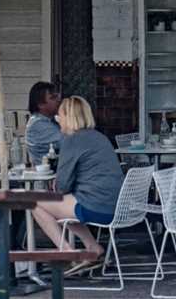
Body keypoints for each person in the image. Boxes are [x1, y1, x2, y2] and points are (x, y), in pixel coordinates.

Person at [32, 96, 123, 273]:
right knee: (65, 206)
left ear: (68, 117)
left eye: (59, 117)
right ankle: (93, 248)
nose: (57, 121)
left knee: (34, 202)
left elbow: (63, 186)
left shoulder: (72, 140)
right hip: (116, 206)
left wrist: (56, 181)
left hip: (96, 206)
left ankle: (67, 252)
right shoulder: (99, 137)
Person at [25, 82, 62, 166]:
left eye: (58, 96)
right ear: (40, 104)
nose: (58, 100)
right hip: (47, 176)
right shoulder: (38, 125)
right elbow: (70, 142)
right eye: (53, 97)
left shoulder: (51, 120)